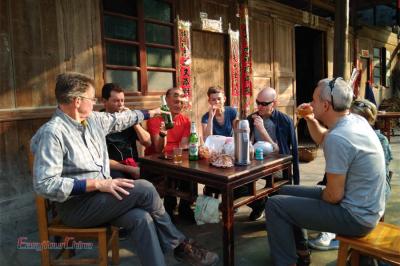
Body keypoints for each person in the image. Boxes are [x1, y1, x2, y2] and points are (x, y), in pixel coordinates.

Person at [30, 72, 219, 266]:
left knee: (142, 218)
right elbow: (45, 185)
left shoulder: (92, 120)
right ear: (78, 101)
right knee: (144, 187)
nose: (94, 102)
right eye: (92, 98)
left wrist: (151, 113)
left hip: (101, 199)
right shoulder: (53, 133)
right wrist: (97, 183)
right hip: (77, 207)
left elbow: (120, 119)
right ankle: (181, 246)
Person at [266, 77, 386, 266]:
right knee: (284, 192)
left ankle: (286, 262)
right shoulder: (353, 120)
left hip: (356, 216)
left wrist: (308, 203)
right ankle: (301, 251)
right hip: (365, 205)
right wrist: (310, 119)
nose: (310, 103)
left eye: (314, 100)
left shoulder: (340, 137)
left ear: (326, 105)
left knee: (275, 205)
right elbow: (322, 138)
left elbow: (333, 196)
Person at [309, 98, 393, 251]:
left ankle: (331, 231)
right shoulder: (345, 133)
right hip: (350, 191)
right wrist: (310, 118)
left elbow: (371, 176)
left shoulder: (377, 139)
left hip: (366, 196)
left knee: (329, 195)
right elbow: (323, 137)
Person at [245, 87, 300, 221]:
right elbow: (247, 143)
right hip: (255, 163)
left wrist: (262, 131)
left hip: (276, 165)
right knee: (237, 188)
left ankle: (274, 211)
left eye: (264, 104)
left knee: (280, 194)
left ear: (274, 103)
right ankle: (259, 205)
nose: (260, 106)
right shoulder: (251, 118)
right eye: (258, 102)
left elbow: (284, 150)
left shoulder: (284, 121)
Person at [146, 88, 194, 221]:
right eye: (175, 100)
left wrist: (176, 151)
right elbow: (158, 149)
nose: (178, 104)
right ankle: (169, 208)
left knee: (191, 172)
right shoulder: (155, 120)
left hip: (176, 159)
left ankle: (185, 208)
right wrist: (164, 134)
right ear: (166, 101)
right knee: (173, 173)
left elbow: (183, 146)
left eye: (180, 101)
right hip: (156, 161)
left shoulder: (185, 120)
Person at [102, 83, 151, 179]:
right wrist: (129, 169)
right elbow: (102, 160)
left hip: (134, 164)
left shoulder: (129, 118)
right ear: (104, 101)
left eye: (122, 100)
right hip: (114, 168)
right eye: (116, 101)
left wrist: (134, 122)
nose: (121, 104)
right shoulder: (99, 121)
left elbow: (147, 142)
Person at [201, 86, 237, 197]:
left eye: (219, 99)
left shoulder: (231, 111)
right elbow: (207, 138)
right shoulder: (206, 117)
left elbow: (237, 131)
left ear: (224, 99)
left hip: (229, 149)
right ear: (209, 101)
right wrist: (211, 117)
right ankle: (210, 192)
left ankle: (231, 197)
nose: (216, 102)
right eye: (213, 99)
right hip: (214, 152)